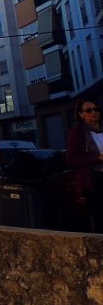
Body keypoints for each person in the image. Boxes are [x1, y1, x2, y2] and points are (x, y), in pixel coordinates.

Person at [65, 98, 103, 231]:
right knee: (99, 217)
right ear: (81, 114)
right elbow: (71, 159)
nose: (93, 112)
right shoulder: (77, 133)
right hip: (94, 181)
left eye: (95, 109)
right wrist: (97, 158)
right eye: (88, 110)